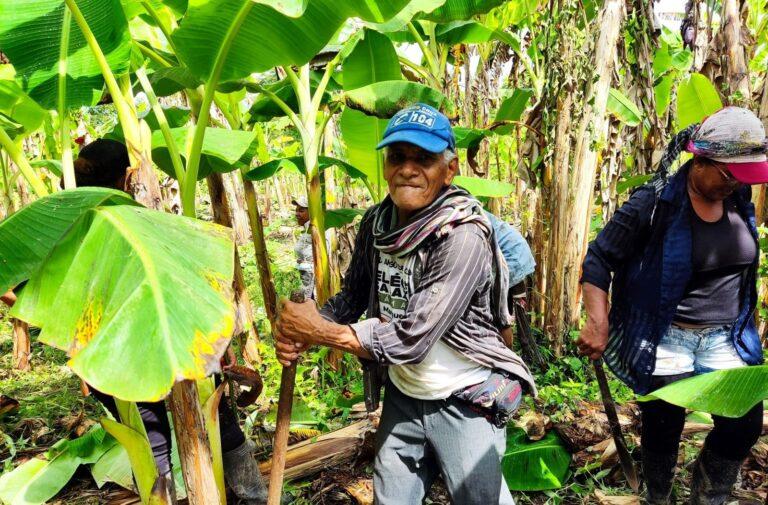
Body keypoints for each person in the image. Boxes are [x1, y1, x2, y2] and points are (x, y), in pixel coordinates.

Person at [275, 103, 536, 504]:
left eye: (424, 159)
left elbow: (413, 337)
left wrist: (319, 331)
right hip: (404, 395)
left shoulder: (461, 237)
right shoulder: (377, 223)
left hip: (463, 398)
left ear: (449, 170)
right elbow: (354, 296)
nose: (408, 169)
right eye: (397, 156)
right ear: (385, 164)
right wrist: (308, 328)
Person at [577, 107, 767, 505]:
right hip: (668, 336)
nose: (734, 185)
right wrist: (597, 318)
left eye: (742, 178)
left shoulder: (738, 197)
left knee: (743, 423)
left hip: (727, 336)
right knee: (663, 423)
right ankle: (658, 496)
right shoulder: (655, 201)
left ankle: (708, 492)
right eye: (728, 175)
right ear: (700, 160)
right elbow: (599, 258)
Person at [71, 139, 268, 504]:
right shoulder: (143, 220)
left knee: (150, 439)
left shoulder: (66, 224)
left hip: (109, 352)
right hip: (171, 334)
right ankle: (254, 496)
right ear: (129, 176)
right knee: (218, 421)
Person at [292, 195, 331, 300]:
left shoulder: (318, 227)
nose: (297, 213)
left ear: (312, 212)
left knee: (306, 301)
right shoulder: (307, 227)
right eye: (296, 210)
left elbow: (324, 249)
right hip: (305, 272)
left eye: (301, 210)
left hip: (311, 273)